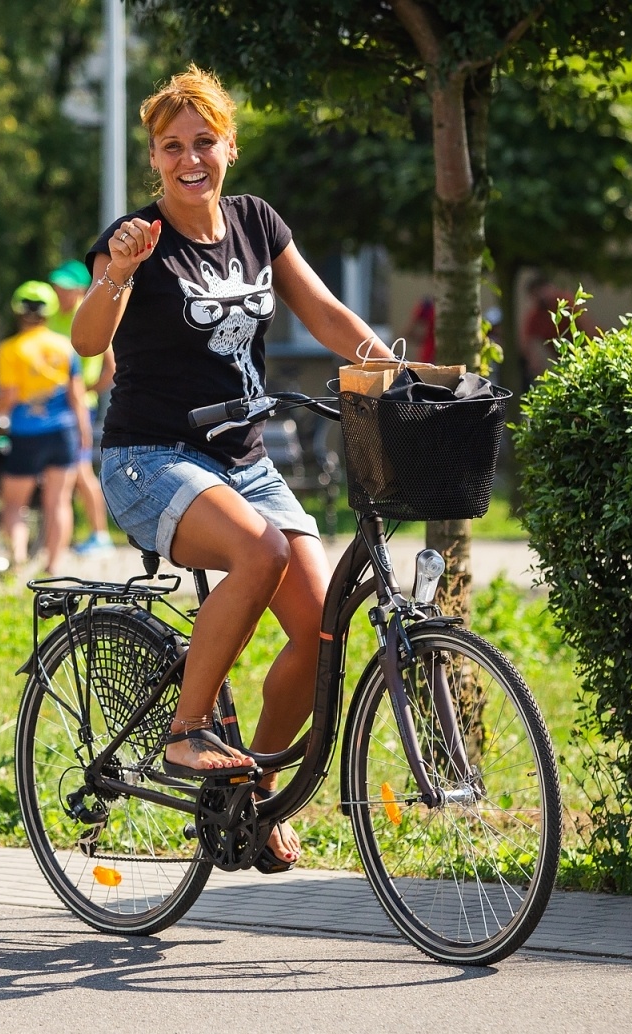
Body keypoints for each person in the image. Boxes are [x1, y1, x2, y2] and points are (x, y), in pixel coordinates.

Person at [71, 65, 392, 872]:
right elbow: (87, 339)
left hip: (242, 463)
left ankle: (249, 792)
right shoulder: (135, 237)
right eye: (171, 146)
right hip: (150, 458)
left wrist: (392, 367)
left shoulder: (255, 222)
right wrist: (117, 271)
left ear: (230, 147)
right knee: (261, 552)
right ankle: (187, 731)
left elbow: (323, 311)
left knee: (322, 633)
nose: (190, 159)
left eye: (204, 142)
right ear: (154, 157)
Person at [0, 280, 90, 576]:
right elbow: (77, 395)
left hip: (26, 434)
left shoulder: (10, 349)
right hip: (63, 432)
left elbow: (8, 398)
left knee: (13, 504)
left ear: (17, 310)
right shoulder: (64, 346)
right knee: (59, 502)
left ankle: (18, 560)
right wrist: (84, 433)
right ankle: (53, 565)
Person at [47, 260, 116, 556]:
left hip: (80, 407)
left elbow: (111, 368)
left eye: (65, 288)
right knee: (63, 474)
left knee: (80, 470)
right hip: (53, 405)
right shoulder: (51, 317)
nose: (59, 292)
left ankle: (100, 535)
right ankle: (65, 535)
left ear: (79, 289)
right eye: (57, 287)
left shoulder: (88, 314)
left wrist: (87, 390)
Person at [520, 275, 601, 382]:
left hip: (585, 349)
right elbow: (527, 345)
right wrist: (536, 366)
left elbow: (586, 326)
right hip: (565, 359)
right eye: (536, 294)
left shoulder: (566, 302)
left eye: (543, 291)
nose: (541, 296)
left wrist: (592, 350)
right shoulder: (534, 317)